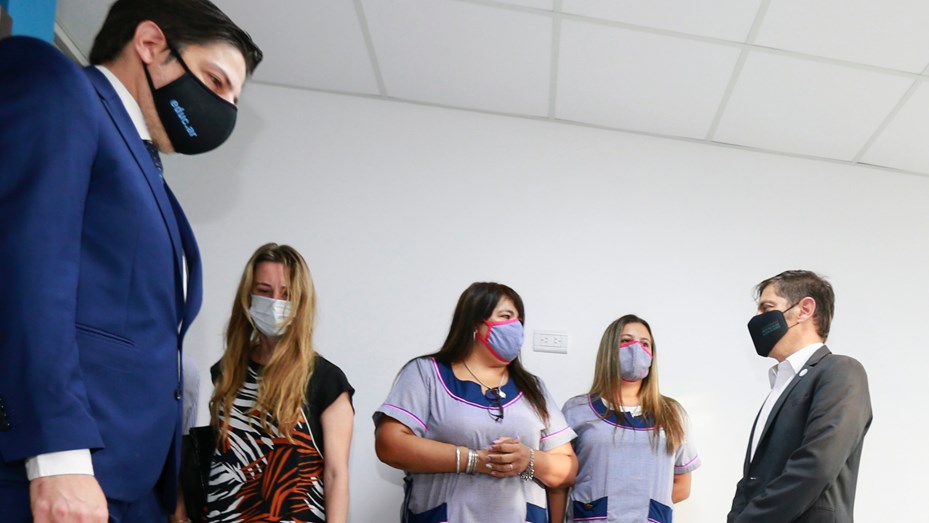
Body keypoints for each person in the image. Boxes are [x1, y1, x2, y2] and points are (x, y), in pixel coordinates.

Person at [0, 1, 262, 521]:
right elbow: (26, 273)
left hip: (130, 486)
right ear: (150, 44)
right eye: (215, 82)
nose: (223, 110)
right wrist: (58, 457)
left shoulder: (151, 176)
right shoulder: (59, 86)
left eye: (233, 99)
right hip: (60, 474)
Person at [374, 282, 578, 522]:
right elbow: (390, 445)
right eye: (505, 316)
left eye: (518, 320)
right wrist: (474, 460)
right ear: (474, 322)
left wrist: (528, 459)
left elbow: (567, 469)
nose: (515, 326)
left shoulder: (533, 388)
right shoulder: (426, 373)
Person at [205, 243, 354, 523]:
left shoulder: (325, 380)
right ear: (247, 296)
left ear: (301, 301)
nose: (275, 302)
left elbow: (336, 475)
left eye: (286, 294)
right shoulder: (227, 372)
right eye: (264, 290)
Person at [728, 270, 872, 522]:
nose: (757, 319)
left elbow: (816, 467)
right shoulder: (781, 385)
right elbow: (750, 481)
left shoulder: (840, 371)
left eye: (767, 308)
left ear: (804, 310)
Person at [550, 314, 700, 523]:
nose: (636, 349)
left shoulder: (672, 414)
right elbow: (559, 480)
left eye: (645, 344)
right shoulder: (577, 410)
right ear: (609, 349)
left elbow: (682, 486)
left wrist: (640, 508)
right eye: (626, 341)